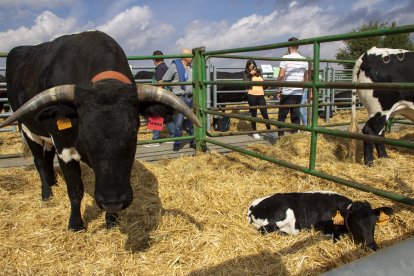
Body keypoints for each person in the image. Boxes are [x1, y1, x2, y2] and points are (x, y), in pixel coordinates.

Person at [162, 48, 194, 151]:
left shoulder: (192, 67)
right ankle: (177, 144)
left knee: (192, 121)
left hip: (190, 97)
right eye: (191, 56)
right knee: (178, 123)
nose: (192, 58)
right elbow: (165, 79)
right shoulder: (174, 66)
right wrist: (170, 93)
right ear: (185, 57)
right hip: (179, 98)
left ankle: (193, 142)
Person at [277, 37, 309, 136]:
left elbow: (281, 75)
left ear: (289, 46)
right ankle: (294, 137)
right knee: (295, 116)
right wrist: (302, 90)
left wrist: (279, 90)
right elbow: (306, 78)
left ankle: (280, 138)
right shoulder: (304, 60)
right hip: (298, 92)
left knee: (282, 116)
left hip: (287, 92)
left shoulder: (285, 58)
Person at [144, 50, 175, 147]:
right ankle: (174, 136)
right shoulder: (165, 67)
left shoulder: (159, 69)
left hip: (161, 96)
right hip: (167, 96)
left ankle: (155, 139)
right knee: (167, 117)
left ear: (154, 59)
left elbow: (160, 84)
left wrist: (156, 98)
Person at [243, 59, 273, 139]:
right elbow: (245, 82)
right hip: (252, 95)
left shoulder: (259, 72)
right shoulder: (246, 73)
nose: (252, 66)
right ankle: (255, 132)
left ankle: (269, 131)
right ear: (248, 66)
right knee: (254, 114)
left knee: (265, 113)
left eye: (253, 64)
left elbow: (262, 83)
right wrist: (250, 74)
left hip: (261, 95)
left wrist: (267, 85)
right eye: (250, 65)